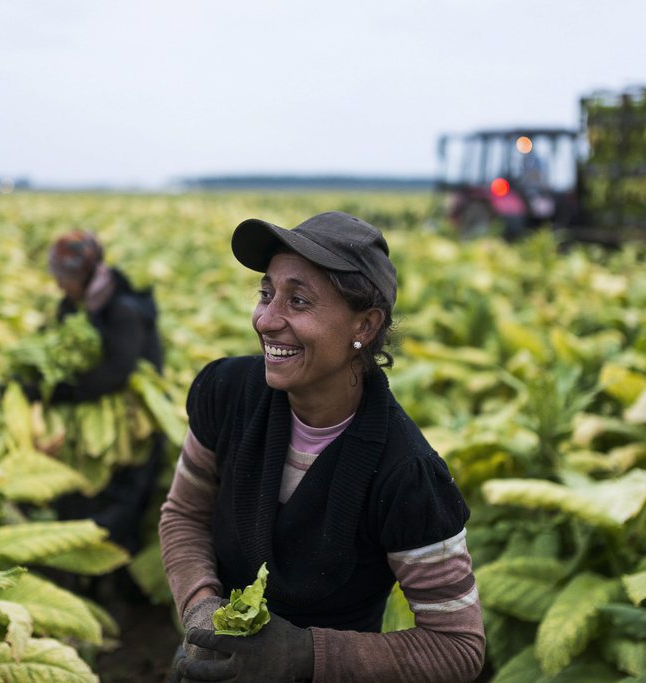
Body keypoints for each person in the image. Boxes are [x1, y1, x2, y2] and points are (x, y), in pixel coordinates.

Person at [159, 211, 485, 682]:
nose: (267, 320)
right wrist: (201, 610)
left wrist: (304, 654)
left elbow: (457, 646)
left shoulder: (406, 474)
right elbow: (184, 514)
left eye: (299, 301)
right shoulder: (226, 393)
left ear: (366, 325)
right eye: (266, 294)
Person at [44, 230, 164, 557]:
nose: (58, 286)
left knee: (121, 508)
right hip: (92, 414)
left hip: (133, 417)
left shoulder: (122, 309)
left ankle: (118, 580)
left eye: (63, 278)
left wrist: (63, 391)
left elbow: (116, 372)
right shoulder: (72, 305)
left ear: (82, 274)